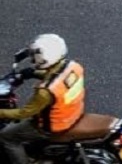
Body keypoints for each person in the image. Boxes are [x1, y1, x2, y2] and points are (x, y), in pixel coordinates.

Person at [0, 34, 87, 163]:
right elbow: (58, 78)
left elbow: (24, 112)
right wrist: (32, 73)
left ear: (43, 58)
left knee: (6, 136)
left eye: (34, 55)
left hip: (53, 126)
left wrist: (1, 112)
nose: (32, 57)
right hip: (73, 112)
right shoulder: (73, 67)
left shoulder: (45, 92)